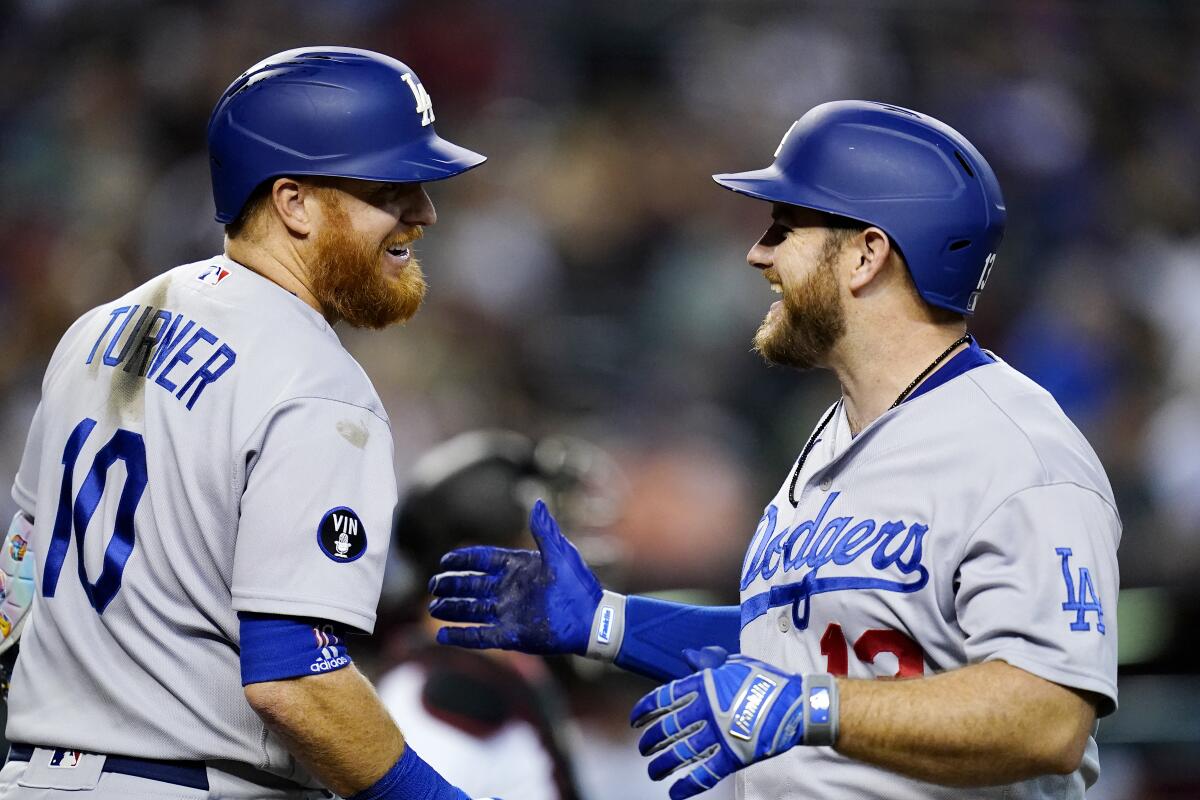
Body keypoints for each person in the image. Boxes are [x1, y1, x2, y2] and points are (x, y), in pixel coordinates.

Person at [426, 101, 1120, 800]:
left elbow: (1049, 719)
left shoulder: (1018, 450)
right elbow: (797, 648)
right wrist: (610, 623)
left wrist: (814, 709)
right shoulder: (833, 438)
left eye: (784, 228)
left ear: (866, 254)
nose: (757, 253)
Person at [0, 46, 500, 800]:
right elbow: (295, 680)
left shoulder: (98, 330)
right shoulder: (316, 385)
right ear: (294, 202)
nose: (423, 212)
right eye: (390, 187)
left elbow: (16, 583)